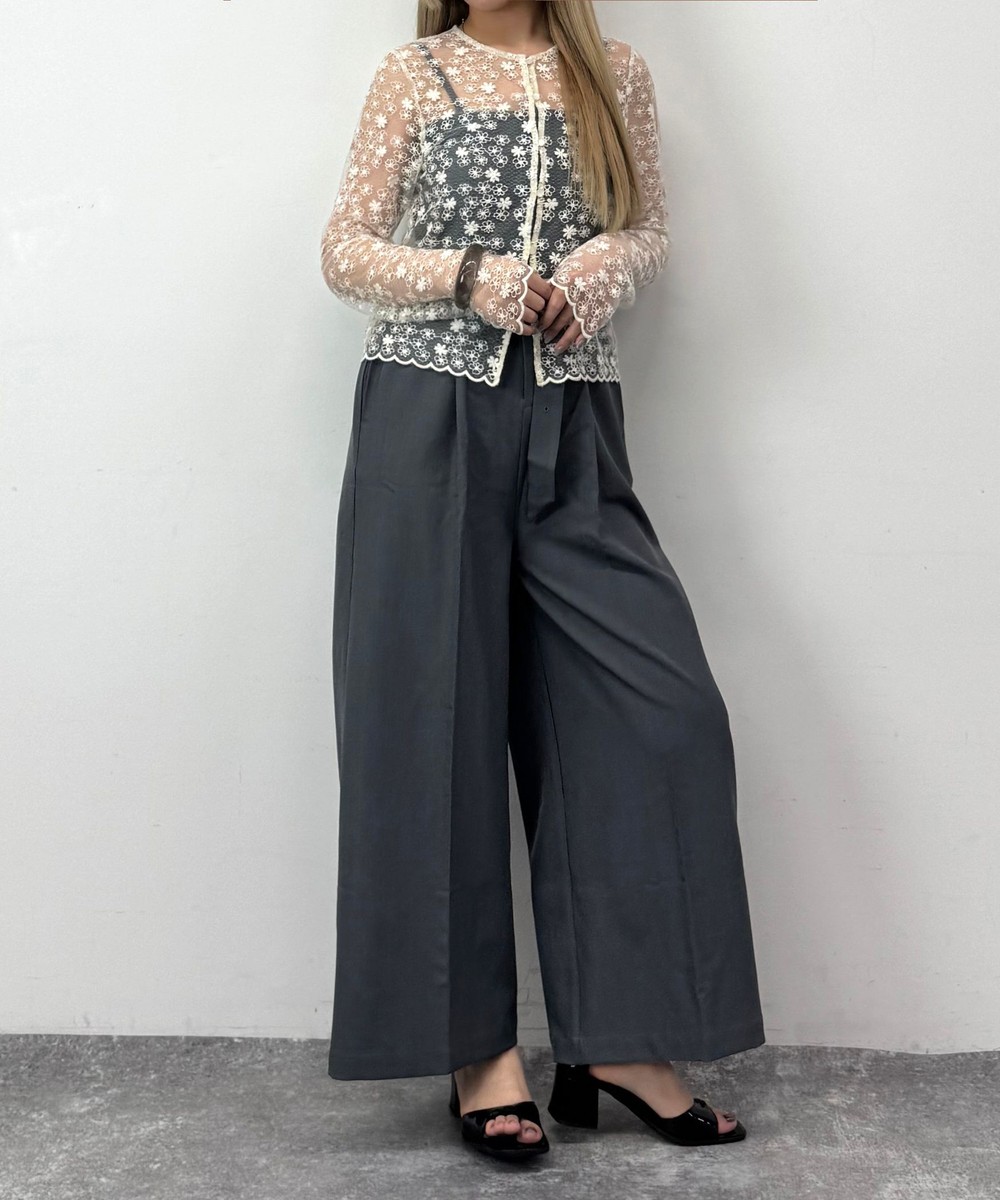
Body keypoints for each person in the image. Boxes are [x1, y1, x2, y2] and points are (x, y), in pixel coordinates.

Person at [319, 0, 766, 1162]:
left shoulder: (613, 73)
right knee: (431, 730)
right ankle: (476, 1051)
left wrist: (603, 266)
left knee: (659, 716)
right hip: (426, 417)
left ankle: (620, 1040)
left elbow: (648, 225)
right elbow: (344, 250)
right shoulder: (414, 74)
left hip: (574, 422)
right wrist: (467, 276)